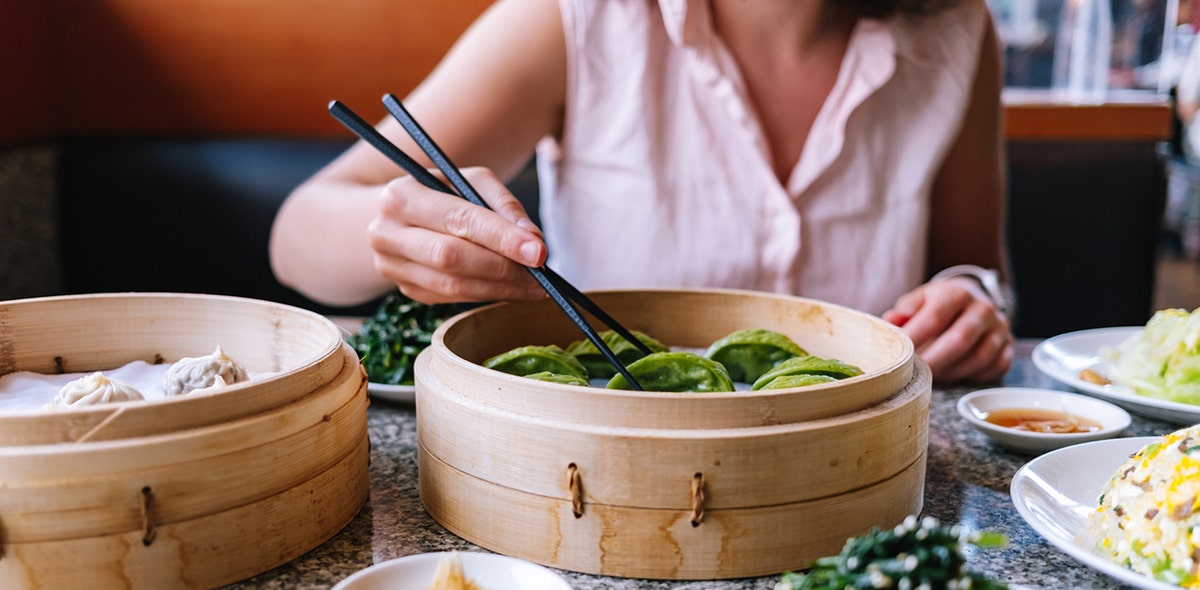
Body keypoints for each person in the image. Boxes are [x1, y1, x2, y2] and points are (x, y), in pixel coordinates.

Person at [270, 0, 1013, 384]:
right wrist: (398, 230)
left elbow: (974, 268)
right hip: (606, 478)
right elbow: (298, 234)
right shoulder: (577, 19)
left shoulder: (958, 29)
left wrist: (971, 304)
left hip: (864, 479)